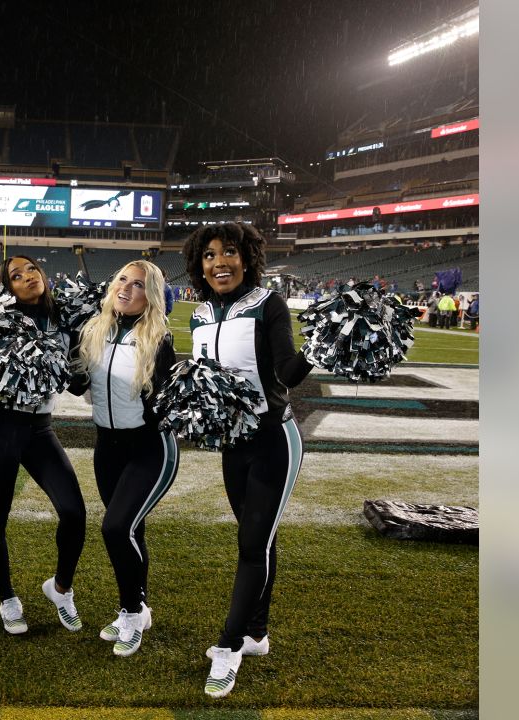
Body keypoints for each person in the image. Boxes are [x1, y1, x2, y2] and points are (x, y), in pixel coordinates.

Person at [182, 223, 311, 698]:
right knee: (259, 539)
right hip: (232, 446)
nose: (220, 262)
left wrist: (315, 349)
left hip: (274, 440)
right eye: (210, 255)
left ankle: (229, 645)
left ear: (247, 258)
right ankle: (257, 634)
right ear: (199, 264)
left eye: (229, 252)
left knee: (251, 544)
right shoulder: (197, 315)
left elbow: (287, 372)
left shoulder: (267, 304)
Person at [71, 260, 179, 657]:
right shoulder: (94, 330)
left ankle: (132, 612)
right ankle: (136, 609)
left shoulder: (160, 338)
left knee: (116, 529)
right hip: (107, 448)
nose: (127, 289)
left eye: (138, 285)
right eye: (122, 280)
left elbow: (169, 401)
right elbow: (76, 382)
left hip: (150, 449)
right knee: (131, 532)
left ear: (149, 295)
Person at [0, 255, 87, 635]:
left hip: (41, 429)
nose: (27, 277)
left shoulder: (63, 319)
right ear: (7, 288)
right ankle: (7, 598)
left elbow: (76, 382)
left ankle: (61, 589)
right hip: (0, 425)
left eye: (31, 269)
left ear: (44, 273)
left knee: (74, 512)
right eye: (15, 276)